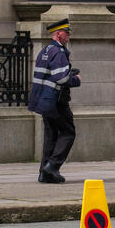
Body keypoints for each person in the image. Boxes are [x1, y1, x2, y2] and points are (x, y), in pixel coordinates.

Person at [28, 18, 82, 184]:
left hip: (44, 100)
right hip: (56, 101)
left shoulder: (45, 51)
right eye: (66, 33)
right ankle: (52, 166)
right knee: (68, 132)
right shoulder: (58, 52)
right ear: (59, 34)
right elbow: (61, 78)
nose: (68, 36)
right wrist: (76, 79)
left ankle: (44, 173)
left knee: (51, 135)